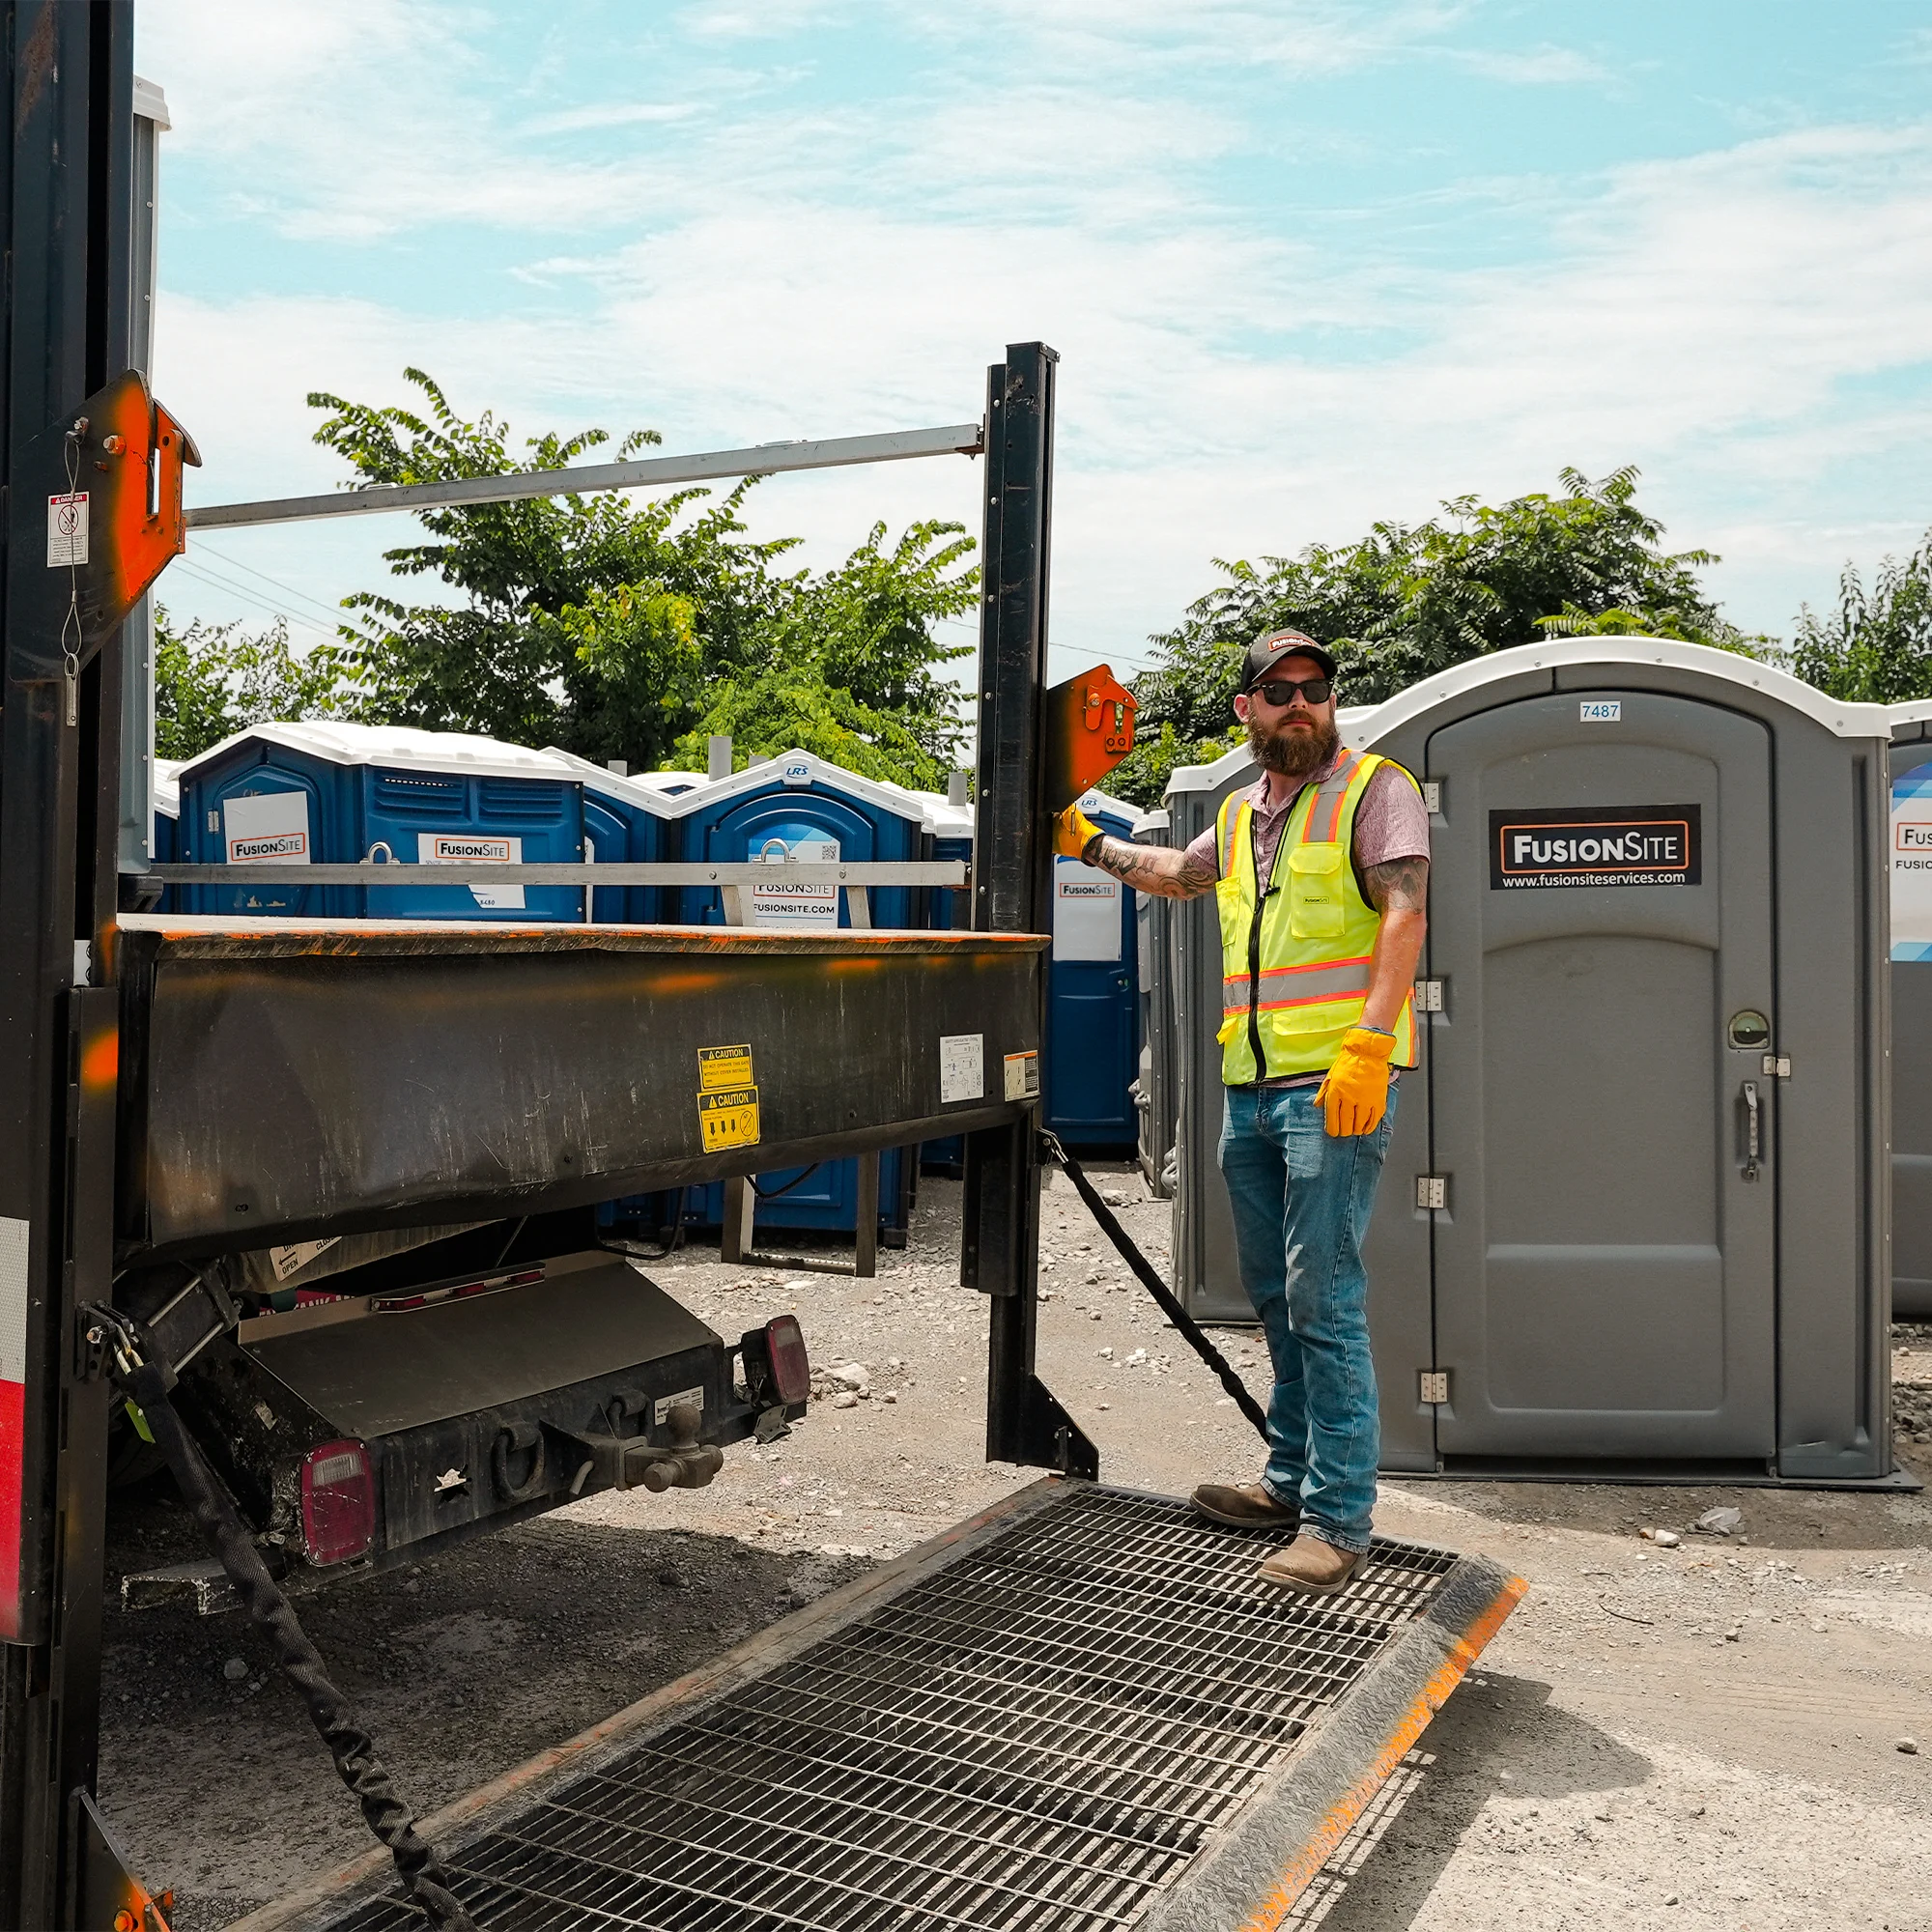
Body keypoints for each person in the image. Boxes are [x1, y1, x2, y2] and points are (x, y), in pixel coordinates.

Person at [1055, 629, 1429, 1593]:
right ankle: (1286, 1480)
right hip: (1250, 1091)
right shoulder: (1236, 815)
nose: (1299, 701)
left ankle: (1339, 1522)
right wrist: (1085, 843)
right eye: (1278, 689)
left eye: (1314, 686)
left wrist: (1370, 1043)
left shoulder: (1374, 788)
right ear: (1247, 710)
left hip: (1333, 1086)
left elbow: (1405, 912)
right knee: (1275, 1296)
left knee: (1324, 1297)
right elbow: (1177, 876)